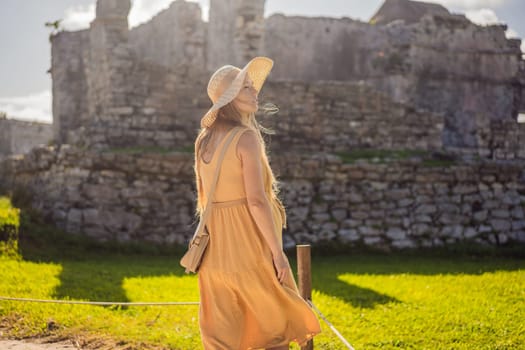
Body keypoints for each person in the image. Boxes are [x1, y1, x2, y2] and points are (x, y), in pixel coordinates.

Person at [193, 56, 322, 349]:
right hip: (249, 246)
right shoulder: (247, 137)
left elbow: (205, 199)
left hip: (215, 253)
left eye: (253, 86)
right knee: (271, 329)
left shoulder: (203, 140)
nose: (255, 93)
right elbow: (256, 201)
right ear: (229, 99)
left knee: (225, 336)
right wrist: (277, 254)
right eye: (246, 88)